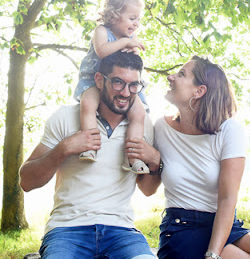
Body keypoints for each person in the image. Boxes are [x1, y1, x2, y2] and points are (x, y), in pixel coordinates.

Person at [126, 56, 250, 259]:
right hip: (182, 229)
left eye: (181, 74)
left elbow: (227, 199)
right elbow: (147, 190)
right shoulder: (161, 128)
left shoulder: (229, 130)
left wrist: (213, 254)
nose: (170, 77)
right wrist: (155, 160)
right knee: (231, 255)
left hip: (224, 227)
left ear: (199, 91)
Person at [19, 52, 161, 259]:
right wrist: (63, 149)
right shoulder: (66, 117)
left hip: (121, 231)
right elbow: (26, 181)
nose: (126, 93)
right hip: (67, 229)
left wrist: (155, 161)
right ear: (99, 80)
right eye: (118, 83)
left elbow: (148, 189)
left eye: (134, 85)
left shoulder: (144, 126)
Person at [74, 0, 149, 173]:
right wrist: (125, 43)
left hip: (119, 84)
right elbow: (102, 50)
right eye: (132, 18)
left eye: (138, 19)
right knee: (88, 105)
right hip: (94, 79)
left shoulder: (130, 37)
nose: (136, 24)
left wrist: (133, 50)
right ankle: (90, 147)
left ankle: (133, 157)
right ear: (115, 16)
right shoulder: (102, 31)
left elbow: (133, 63)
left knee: (139, 114)